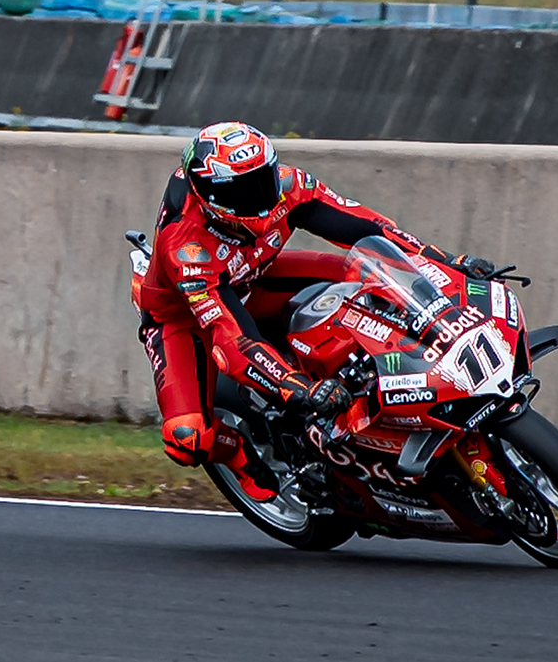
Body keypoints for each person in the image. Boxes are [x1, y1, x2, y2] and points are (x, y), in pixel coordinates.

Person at [136, 122, 495, 501]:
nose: (261, 196)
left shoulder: (288, 187)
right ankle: (238, 453)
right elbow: (234, 343)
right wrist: (298, 388)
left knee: (367, 276)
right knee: (188, 437)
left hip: (255, 276)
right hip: (184, 318)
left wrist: (444, 261)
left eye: (264, 179)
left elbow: (364, 225)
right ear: (209, 195)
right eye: (243, 191)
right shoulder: (186, 248)